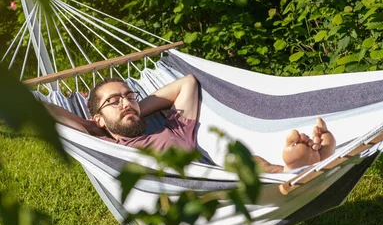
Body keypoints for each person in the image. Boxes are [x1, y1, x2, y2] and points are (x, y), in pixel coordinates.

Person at [46, 74, 336, 172]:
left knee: (246, 162)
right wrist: (100, 127)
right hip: (185, 198)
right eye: (114, 100)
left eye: (129, 96)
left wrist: (133, 110)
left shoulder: (172, 125)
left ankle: (292, 168)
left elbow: (187, 83)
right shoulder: (104, 143)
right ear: (96, 118)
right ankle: (306, 159)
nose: (125, 102)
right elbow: (49, 111)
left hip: (215, 181)